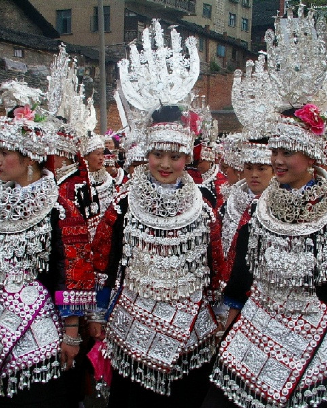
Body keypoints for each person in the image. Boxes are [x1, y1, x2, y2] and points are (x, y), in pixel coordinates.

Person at [203, 8, 327, 408]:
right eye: (276, 152)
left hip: (317, 326)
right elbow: (242, 271)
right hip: (260, 322)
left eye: (287, 153)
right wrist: (229, 322)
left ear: (310, 156)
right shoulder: (261, 209)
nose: (278, 161)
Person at [89, 21, 227, 408]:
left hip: (190, 325)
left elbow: (215, 265)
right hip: (133, 322)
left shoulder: (204, 205)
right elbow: (103, 262)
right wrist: (93, 312)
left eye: (175, 156)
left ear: (187, 158)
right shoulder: (123, 202)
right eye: (158, 155)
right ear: (146, 154)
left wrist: (220, 311)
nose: (165, 164)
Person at [0, 102, 95, 406]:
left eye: (5, 153)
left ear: (29, 156)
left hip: (37, 327)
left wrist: (71, 331)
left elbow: (72, 273)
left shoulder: (60, 209)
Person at [220, 138, 273, 258]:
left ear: (274, 171)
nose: (254, 175)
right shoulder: (229, 205)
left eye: (261, 169)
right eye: (249, 168)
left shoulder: (279, 207)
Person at [80, 133, 116, 241]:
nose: (101, 158)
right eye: (97, 154)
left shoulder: (109, 179)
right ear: (86, 157)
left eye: (102, 154)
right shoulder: (81, 182)